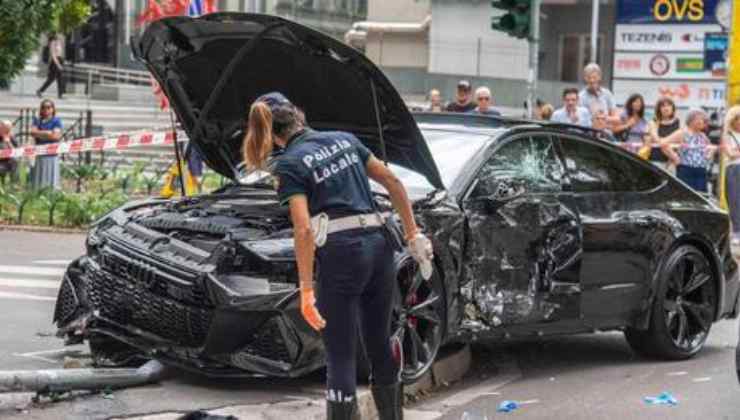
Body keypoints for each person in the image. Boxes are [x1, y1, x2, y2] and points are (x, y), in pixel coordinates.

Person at [242, 92, 432, 420]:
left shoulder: (288, 164)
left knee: (340, 354)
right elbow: (392, 181)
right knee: (378, 341)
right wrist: (412, 233)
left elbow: (303, 230)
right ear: (300, 115)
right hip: (379, 246)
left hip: (343, 256)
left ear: (273, 135)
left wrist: (305, 290)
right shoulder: (345, 139)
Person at [651, 109, 716, 192]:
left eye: (704, 120)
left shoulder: (702, 135)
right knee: (687, 194)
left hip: (701, 170)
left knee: (701, 196)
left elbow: (710, 147)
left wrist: (708, 155)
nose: (703, 122)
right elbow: (663, 143)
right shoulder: (682, 133)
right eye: (700, 119)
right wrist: (674, 157)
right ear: (691, 120)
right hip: (686, 169)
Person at [29, 99, 63, 190]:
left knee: (51, 179)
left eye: (49, 107)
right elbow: (32, 132)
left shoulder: (56, 121)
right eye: (43, 107)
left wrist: (39, 134)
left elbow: (56, 136)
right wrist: (48, 133)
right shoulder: (37, 120)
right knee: (38, 179)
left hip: (52, 155)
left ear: (53, 109)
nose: (46, 110)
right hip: (39, 154)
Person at [720, 106, 740, 242]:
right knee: (734, 199)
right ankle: (737, 231)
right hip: (733, 169)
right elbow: (731, 154)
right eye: (737, 119)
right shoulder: (727, 135)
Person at [646, 98, 680, 169]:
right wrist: (672, 155)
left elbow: (680, 141)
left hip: (672, 162)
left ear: (672, 108)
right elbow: (657, 139)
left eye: (668, 105)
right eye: (663, 106)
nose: (666, 108)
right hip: (656, 159)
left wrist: (672, 158)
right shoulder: (653, 122)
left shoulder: (678, 122)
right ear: (659, 109)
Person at [36, 34, 65, 99]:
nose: (59, 35)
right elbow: (53, 55)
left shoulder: (59, 42)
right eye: (57, 35)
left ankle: (60, 94)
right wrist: (58, 65)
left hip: (60, 60)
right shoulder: (52, 43)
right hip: (55, 63)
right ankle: (40, 91)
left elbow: (60, 53)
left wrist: (61, 62)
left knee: (60, 79)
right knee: (51, 79)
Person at [0, 120, 19, 186]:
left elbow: (17, 151)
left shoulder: (11, 137)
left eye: (7, 129)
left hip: (9, 161)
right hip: (1, 162)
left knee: (14, 161)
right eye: (1, 128)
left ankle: (14, 185)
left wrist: (8, 142)